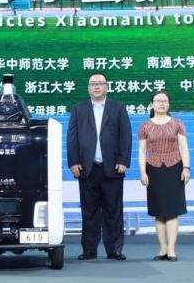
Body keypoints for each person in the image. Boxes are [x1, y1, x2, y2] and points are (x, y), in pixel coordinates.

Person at [67, 72, 132, 260]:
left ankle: (114, 249)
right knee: (89, 212)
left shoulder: (118, 108)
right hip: (87, 168)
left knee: (113, 211)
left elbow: (125, 136)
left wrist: (123, 161)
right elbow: (72, 138)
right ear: (88, 88)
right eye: (93, 84)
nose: (96, 86)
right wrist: (73, 162)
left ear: (107, 87)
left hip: (113, 168)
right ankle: (89, 250)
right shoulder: (78, 109)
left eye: (100, 83)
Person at [138, 91, 191, 262]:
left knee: (172, 211)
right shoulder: (145, 126)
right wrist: (142, 172)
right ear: (152, 104)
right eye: (158, 100)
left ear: (168, 104)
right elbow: (142, 151)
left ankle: (172, 250)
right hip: (153, 170)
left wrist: (186, 168)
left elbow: (183, 148)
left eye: (164, 101)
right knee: (158, 211)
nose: (161, 103)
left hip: (174, 169)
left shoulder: (177, 124)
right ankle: (162, 248)